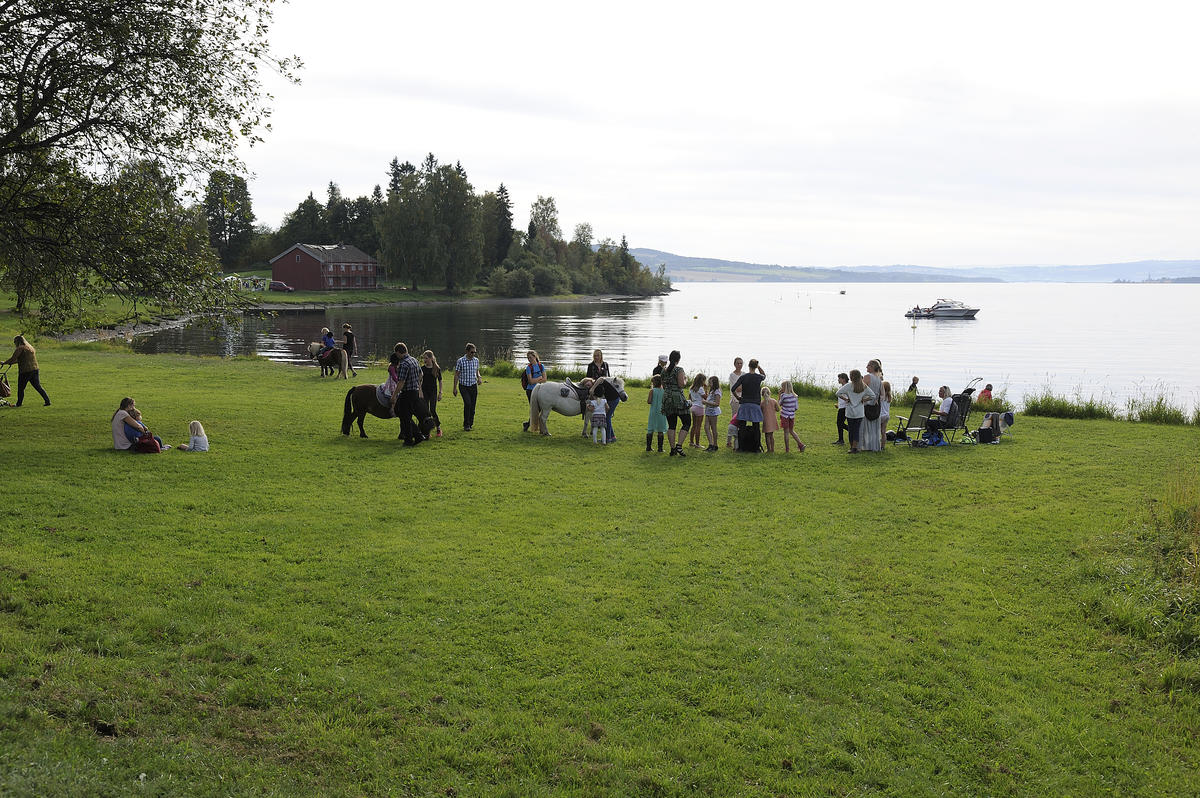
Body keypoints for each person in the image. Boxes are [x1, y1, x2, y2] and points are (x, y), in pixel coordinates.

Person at [390, 342, 426, 446]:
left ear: (398, 352)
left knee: (404, 415)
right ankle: (417, 436)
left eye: (396, 354)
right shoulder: (414, 360)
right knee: (404, 414)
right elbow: (421, 374)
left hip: (407, 392)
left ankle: (410, 439)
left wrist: (394, 396)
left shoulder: (404, 364)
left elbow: (401, 382)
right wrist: (417, 384)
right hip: (414, 391)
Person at [835, 369, 877, 454]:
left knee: (851, 430)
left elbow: (838, 393)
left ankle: (852, 447)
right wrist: (864, 399)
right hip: (859, 412)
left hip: (850, 411)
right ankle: (855, 447)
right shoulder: (863, 386)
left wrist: (846, 399)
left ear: (852, 377)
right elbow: (873, 395)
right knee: (857, 430)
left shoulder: (848, 386)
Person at [3, 335, 50, 407]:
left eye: (14, 342)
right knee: (38, 387)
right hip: (34, 369)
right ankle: (47, 401)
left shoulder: (20, 348)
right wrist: (8, 362)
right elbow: (21, 360)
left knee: (21, 388)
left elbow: (13, 359)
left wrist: (4, 363)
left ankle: (19, 404)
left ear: (17, 342)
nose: (14, 344)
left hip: (25, 371)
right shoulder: (30, 348)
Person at [731, 359, 767, 449]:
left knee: (742, 426)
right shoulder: (758, 377)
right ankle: (756, 446)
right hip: (755, 404)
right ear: (755, 367)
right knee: (756, 426)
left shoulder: (744, 377)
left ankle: (741, 447)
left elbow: (733, 389)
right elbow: (764, 375)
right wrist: (759, 366)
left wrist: (738, 397)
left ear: (748, 366)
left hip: (744, 403)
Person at [660, 350, 690, 456]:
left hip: (667, 398)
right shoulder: (679, 370)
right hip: (677, 398)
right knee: (687, 422)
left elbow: (663, 384)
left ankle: (672, 449)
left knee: (672, 425)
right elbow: (681, 384)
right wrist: (685, 379)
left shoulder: (664, 370)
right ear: (678, 359)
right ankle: (679, 445)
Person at [453, 342, 481, 431]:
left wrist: (479, 377)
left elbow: (477, 371)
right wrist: (454, 387)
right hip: (464, 386)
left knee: (472, 406)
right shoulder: (460, 361)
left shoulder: (476, 360)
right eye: (472, 352)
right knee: (468, 404)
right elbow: (456, 375)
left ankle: (470, 423)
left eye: (474, 352)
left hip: (473, 385)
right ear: (467, 351)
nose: (473, 354)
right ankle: (466, 424)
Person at [588, 375, 624, 443]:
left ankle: (607, 438)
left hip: (613, 399)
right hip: (614, 399)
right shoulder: (602, 384)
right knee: (608, 418)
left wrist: (592, 388)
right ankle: (612, 437)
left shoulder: (598, 382)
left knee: (607, 418)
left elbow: (601, 378)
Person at [861, 359, 884, 452]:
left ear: (872, 367)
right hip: (874, 406)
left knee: (865, 426)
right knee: (874, 428)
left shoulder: (867, 377)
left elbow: (860, 390)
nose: (866, 367)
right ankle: (873, 446)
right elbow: (882, 395)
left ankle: (865, 445)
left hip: (866, 404)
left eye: (868, 366)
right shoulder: (879, 379)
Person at [522, 350, 547, 431]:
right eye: (528, 358)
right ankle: (530, 425)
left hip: (540, 390)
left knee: (539, 409)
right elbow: (530, 381)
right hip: (530, 390)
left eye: (530, 357)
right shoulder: (528, 368)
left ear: (535, 356)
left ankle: (528, 424)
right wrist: (539, 378)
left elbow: (545, 379)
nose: (529, 359)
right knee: (535, 409)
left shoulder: (541, 366)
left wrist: (536, 379)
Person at [421, 350, 444, 437]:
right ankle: (427, 430)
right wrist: (420, 392)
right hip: (424, 392)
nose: (424, 360)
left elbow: (440, 381)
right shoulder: (422, 369)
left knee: (432, 410)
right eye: (424, 358)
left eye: (426, 358)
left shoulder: (436, 368)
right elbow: (419, 381)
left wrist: (440, 392)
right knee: (426, 411)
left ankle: (438, 428)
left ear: (431, 358)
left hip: (433, 392)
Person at [779, 381, 805, 453]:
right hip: (792, 416)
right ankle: (801, 444)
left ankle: (787, 449)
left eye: (782, 387)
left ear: (784, 387)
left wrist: (779, 394)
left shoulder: (783, 396)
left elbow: (779, 404)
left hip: (785, 416)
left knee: (786, 432)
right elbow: (796, 407)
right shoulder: (795, 396)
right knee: (791, 431)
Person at [727, 357, 746, 449]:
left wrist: (743, 385)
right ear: (734, 364)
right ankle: (729, 440)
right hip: (735, 400)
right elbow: (736, 389)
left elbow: (741, 387)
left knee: (742, 420)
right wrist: (745, 385)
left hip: (743, 400)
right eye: (738, 363)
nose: (740, 365)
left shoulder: (744, 374)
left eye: (741, 363)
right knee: (734, 420)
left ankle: (740, 439)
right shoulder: (732, 375)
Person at [645, 374, 667, 453]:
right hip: (661, 411)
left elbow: (649, 401)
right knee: (660, 429)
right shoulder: (664, 391)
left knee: (650, 428)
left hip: (653, 411)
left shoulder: (652, 391)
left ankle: (648, 447)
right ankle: (660, 448)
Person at [702, 375, 721, 452]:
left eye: (710, 382)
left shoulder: (717, 391)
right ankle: (711, 444)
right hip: (708, 411)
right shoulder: (711, 390)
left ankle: (715, 445)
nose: (709, 383)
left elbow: (717, 403)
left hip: (713, 412)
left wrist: (706, 402)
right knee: (706, 427)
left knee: (713, 428)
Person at [688, 373, 707, 448]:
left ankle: (691, 442)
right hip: (699, 407)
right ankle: (697, 444)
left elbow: (690, 398)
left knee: (694, 425)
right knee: (698, 426)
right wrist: (706, 390)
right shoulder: (701, 389)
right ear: (702, 381)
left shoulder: (691, 388)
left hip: (693, 407)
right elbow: (706, 398)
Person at [760, 385, 781, 453]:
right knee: (771, 435)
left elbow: (760, 412)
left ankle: (769, 449)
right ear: (770, 393)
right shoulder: (774, 401)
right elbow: (778, 409)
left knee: (767, 436)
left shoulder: (762, 403)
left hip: (766, 420)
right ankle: (772, 449)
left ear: (762, 394)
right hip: (773, 420)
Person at [833, 372, 849, 445]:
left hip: (844, 408)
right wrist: (838, 405)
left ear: (843, 379)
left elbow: (847, 398)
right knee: (840, 423)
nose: (838, 380)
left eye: (839, 378)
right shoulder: (843, 387)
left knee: (840, 423)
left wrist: (846, 400)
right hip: (841, 407)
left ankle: (850, 430)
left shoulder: (846, 387)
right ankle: (841, 439)